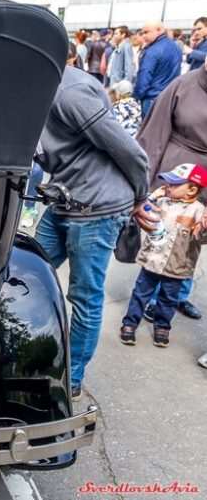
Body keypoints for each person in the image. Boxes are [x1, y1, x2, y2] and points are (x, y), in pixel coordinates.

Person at [34, 63, 152, 401]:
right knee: (26, 274)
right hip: (64, 198)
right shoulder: (27, 88)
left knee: (84, 297)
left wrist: (140, 196)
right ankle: (33, 358)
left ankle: (71, 379)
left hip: (97, 208)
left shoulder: (69, 92)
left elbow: (129, 150)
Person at [136, 60, 207, 321]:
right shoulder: (182, 84)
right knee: (164, 237)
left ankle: (177, 295)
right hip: (176, 177)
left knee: (193, 239)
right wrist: (143, 182)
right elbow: (153, 134)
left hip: (204, 183)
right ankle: (152, 297)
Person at [119, 164, 207, 348]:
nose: (168, 186)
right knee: (140, 294)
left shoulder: (199, 211)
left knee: (169, 300)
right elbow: (142, 211)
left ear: (191, 190)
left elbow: (201, 238)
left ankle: (162, 327)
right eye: (168, 182)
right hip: (152, 261)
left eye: (174, 184)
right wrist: (151, 197)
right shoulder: (162, 202)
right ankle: (130, 324)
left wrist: (204, 229)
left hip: (177, 266)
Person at [133, 21, 181, 118]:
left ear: (158, 30)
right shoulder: (176, 47)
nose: (144, 36)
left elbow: (144, 77)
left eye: (146, 32)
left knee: (149, 127)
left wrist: (136, 96)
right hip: (170, 97)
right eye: (142, 33)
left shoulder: (152, 51)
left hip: (152, 99)